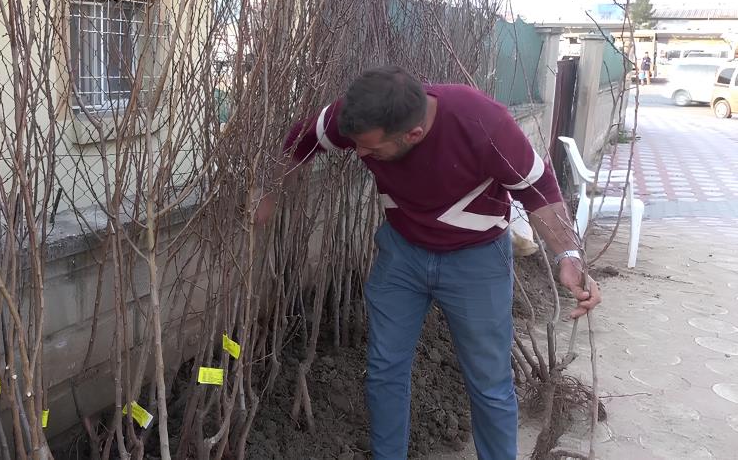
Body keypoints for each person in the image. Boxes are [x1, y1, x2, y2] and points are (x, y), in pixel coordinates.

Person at [254, 66, 601, 460]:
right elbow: (300, 142)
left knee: (489, 382)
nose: (361, 155)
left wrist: (569, 255)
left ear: (413, 135)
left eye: (371, 149)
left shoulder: (483, 123)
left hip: (477, 262)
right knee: (385, 370)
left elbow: (538, 190)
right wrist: (270, 192)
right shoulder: (354, 118)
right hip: (402, 254)